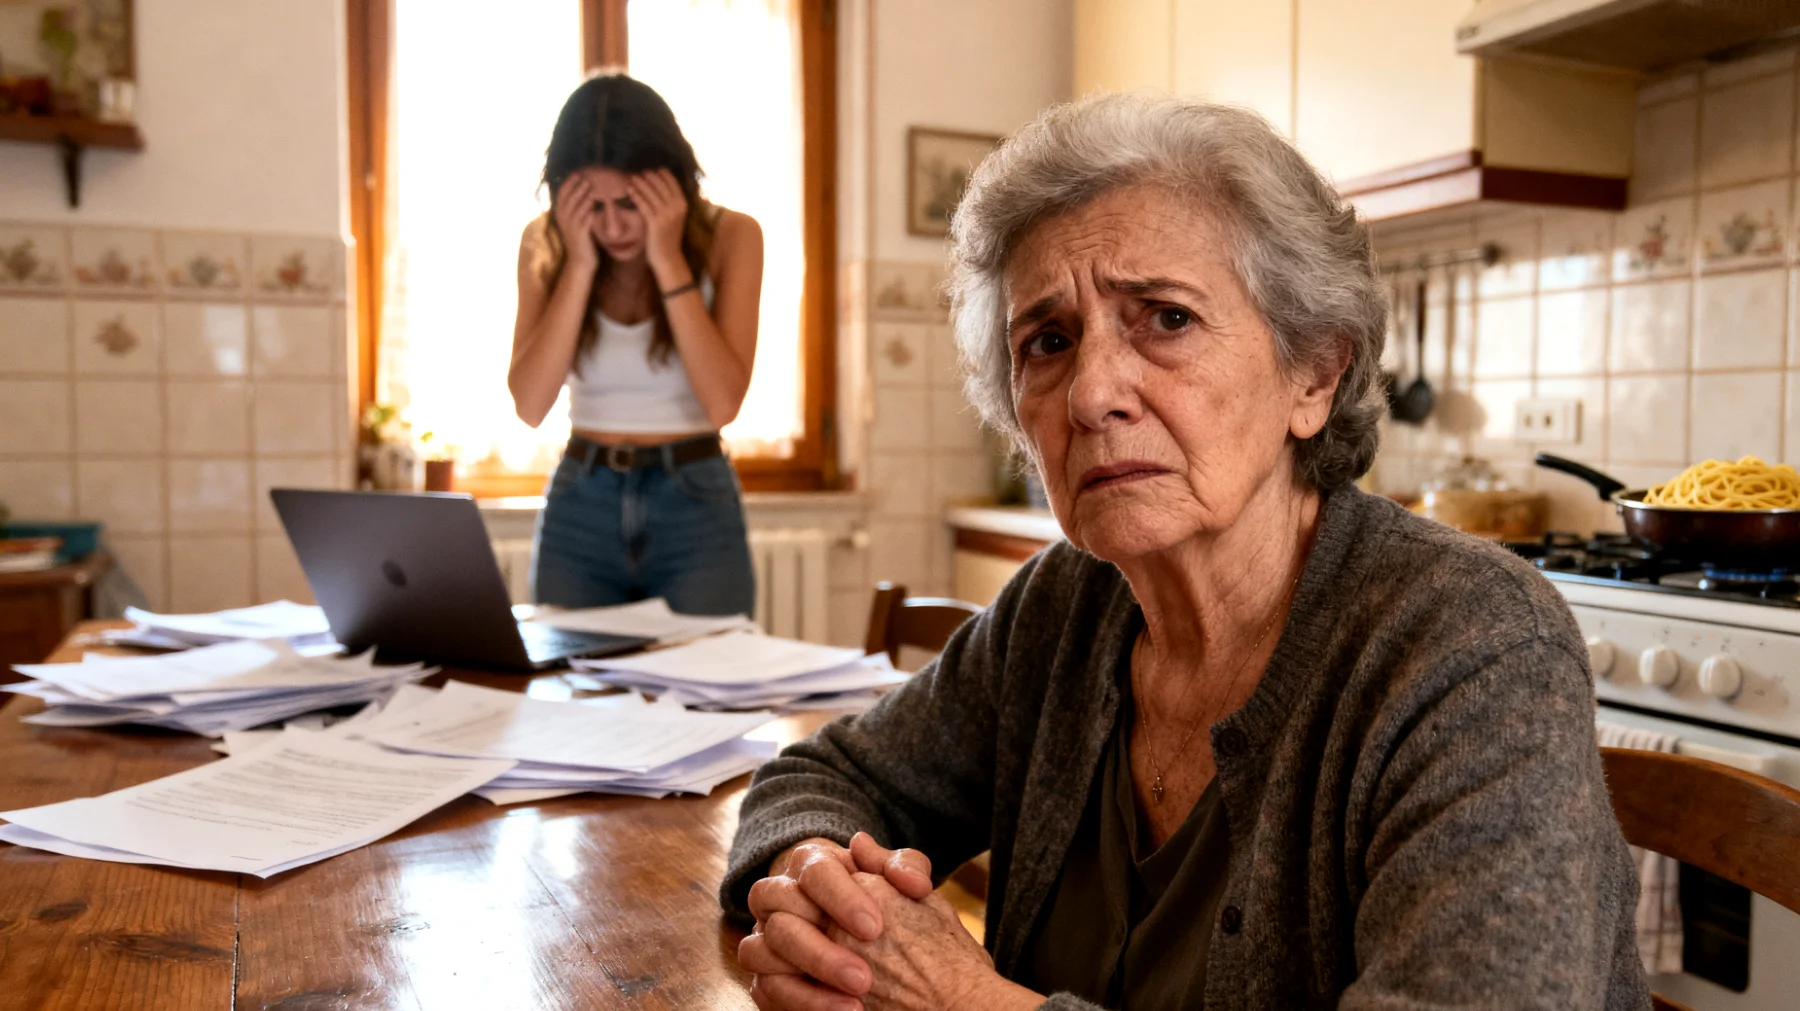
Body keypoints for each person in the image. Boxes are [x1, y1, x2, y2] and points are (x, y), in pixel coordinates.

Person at [723, 94, 1650, 1011]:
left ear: (1314, 373)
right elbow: (822, 776)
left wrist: (966, 1001)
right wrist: (817, 878)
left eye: (1165, 318)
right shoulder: (1066, 606)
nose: (1091, 394)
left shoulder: (1472, 648)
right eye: (1047, 341)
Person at [510, 73, 762, 616]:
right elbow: (530, 406)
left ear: (670, 185)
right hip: (582, 497)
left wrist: (667, 258)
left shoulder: (734, 236)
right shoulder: (546, 241)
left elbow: (722, 404)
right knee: (571, 690)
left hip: (695, 499)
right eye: (592, 207)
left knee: (710, 688)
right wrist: (578, 264)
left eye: (629, 203)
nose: (613, 226)